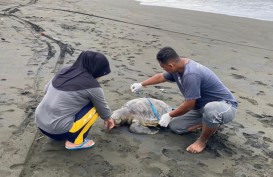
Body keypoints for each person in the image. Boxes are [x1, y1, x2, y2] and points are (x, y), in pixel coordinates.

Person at [131, 47, 238, 153]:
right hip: (201, 108)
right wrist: (141, 84)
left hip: (225, 106)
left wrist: (170, 115)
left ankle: (202, 141)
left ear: (171, 65)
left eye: (164, 67)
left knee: (211, 109)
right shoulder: (178, 68)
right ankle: (209, 124)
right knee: (175, 126)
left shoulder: (191, 74)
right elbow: (161, 77)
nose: (164, 70)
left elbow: (189, 105)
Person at [35, 51, 115, 150]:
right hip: (58, 131)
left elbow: (46, 90)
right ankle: (75, 142)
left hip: (40, 123)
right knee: (95, 107)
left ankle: (58, 130)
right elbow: (103, 110)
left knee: (71, 100)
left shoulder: (64, 71)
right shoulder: (92, 86)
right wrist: (109, 119)